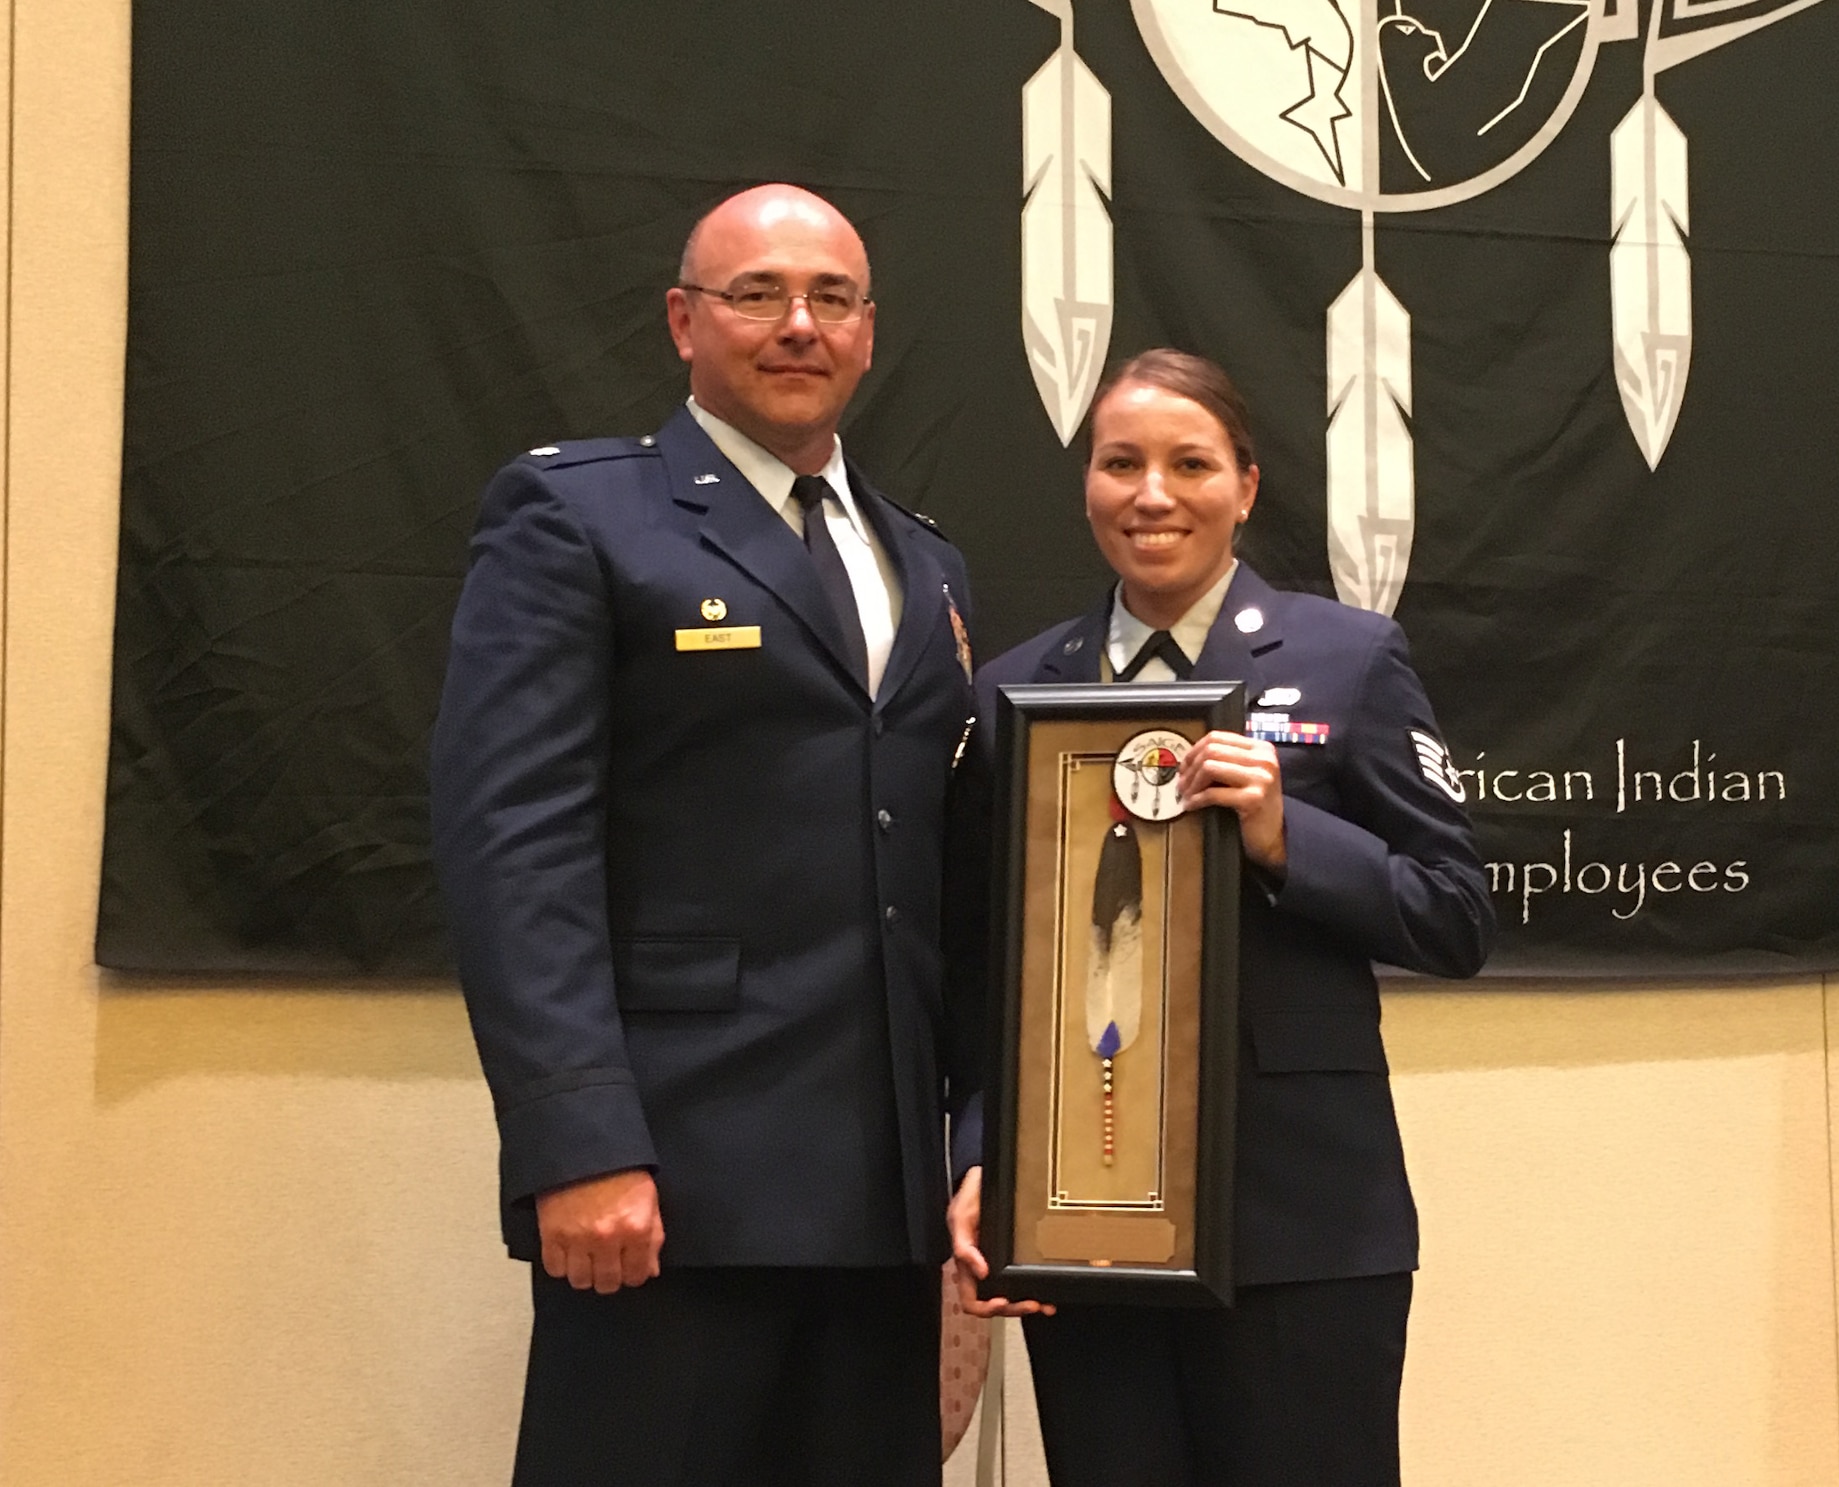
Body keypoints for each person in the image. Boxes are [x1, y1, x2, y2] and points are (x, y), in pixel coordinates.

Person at [430, 183, 980, 1487]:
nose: (799, 323)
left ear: (868, 330)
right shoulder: (579, 518)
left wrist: (978, 1148)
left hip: (885, 1203)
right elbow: (514, 844)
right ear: (685, 321)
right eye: (757, 294)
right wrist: (580, 1140)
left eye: (831, 298)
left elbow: (947, 874)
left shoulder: (928, 562)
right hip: (672, 1190)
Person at [948, 349, 1494, 1486]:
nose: (1152, 493)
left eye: (1188, 462)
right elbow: (975, 970)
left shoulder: (1347, 658)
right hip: (1085, 1226)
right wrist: (980, 1156)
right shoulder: (1015, 693)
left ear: (1244, 484)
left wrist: (1289, 836)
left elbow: (1453, 915)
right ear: (1087, 484)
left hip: (1298, 1228)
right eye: (1120, 464)